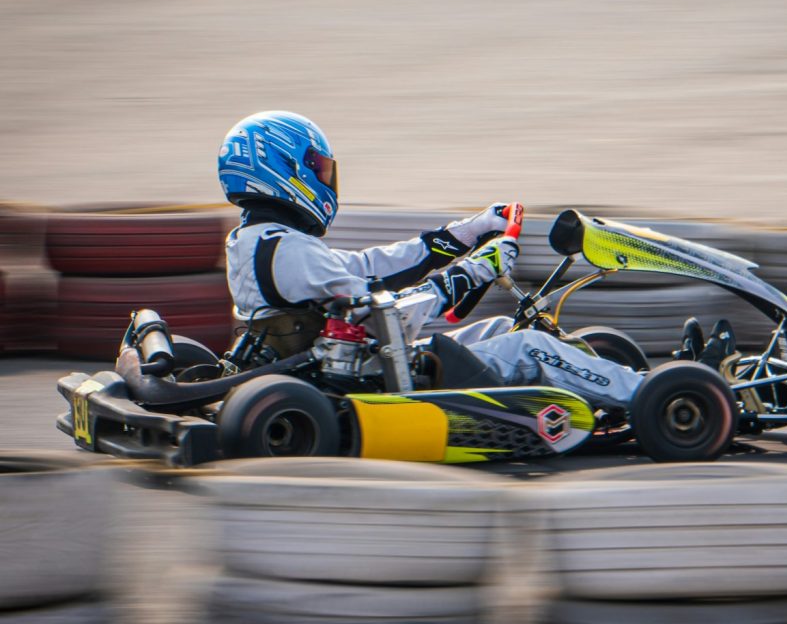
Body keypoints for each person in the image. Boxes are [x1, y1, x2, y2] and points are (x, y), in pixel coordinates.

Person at [218, 110, 643, 410]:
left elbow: (367, 268)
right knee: (529, 346)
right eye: (319, 168)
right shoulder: (287, 250)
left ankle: (602, 385)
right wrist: (480, 268)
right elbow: (386, 318)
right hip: (372, 385)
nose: (326, 178)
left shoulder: (260, 241)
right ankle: (653, 395)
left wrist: (464, 234)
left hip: (351, 372)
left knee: (499, 328)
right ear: (283, 167)